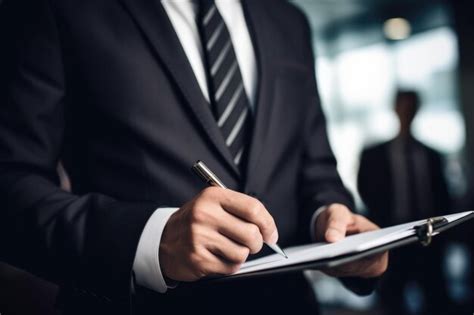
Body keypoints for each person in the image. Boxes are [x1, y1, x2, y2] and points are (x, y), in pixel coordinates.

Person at [0, 0, 387, 314]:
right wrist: (151, 240)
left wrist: (332, 223)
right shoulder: (55, 8)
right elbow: (10, 187)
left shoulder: (289, 21)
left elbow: (316, 173)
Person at [358, 90, 451, 315]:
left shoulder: (433, 155)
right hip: (391, 238)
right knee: (391, 301)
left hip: (428, 240)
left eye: (412, 107)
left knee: (435, 300)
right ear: (395, 109)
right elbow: (366, 190)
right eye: (403, 106)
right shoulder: (373, 155)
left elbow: (443, 197)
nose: (407, 112)